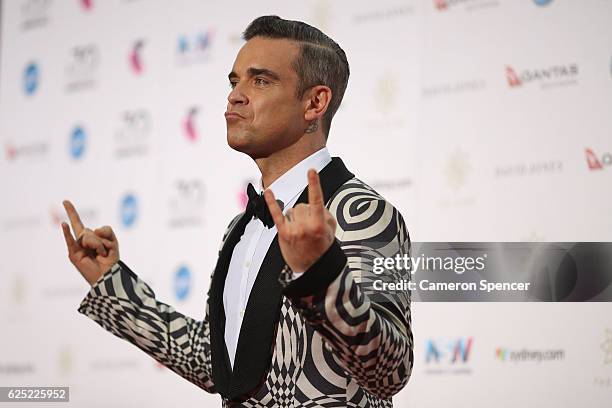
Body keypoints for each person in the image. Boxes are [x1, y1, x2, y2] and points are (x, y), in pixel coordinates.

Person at [62, 15, 413, 407]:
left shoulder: (364, 213)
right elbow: (220, 365)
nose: (235, 96)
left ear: (315, 102)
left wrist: (321, 274)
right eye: (234, 81)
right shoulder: (241, 228)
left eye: (260, 80)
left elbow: (390, 370)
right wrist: (112, 284)